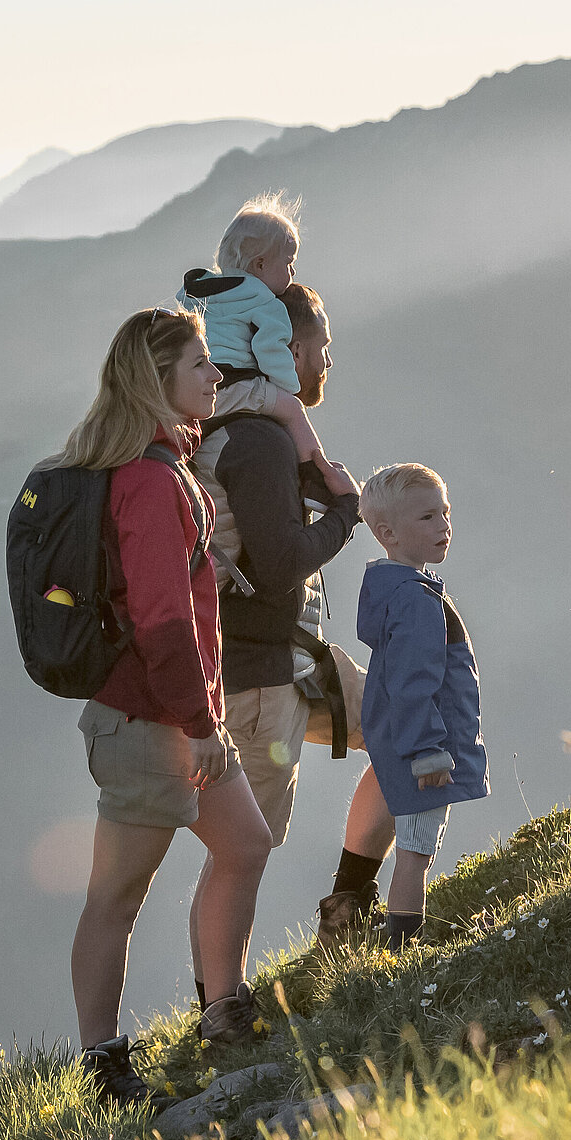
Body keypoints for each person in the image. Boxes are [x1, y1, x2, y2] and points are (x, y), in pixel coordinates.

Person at [61, 305, 276, 1107]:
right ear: (159, 381)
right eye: (200, 365)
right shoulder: (150, 482)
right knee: (117, 896)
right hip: (152, 723)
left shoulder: (162, 468)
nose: (216, 376)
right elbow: (159, 621)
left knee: (245, 843)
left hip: (173, 717)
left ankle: (223, 1011)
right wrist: (202, 726)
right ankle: (104, 1066)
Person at [189, 281, 398, 965]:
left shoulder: (243, 434)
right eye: (322, 347)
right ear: (292, 348)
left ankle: (348, 919)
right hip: (257, 679)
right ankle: (221, 1009)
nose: (326, 362)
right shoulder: (255, 441)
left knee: (412, 731)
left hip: (288, 659)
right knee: (242, 852)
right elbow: (279, 566)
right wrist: (347, 514)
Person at [356, 464, 489, 948]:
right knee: (415, 850)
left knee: (415, 845)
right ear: (387, 533)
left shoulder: (401, 589)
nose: (444, 527)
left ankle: (400, 942)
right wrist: (428, 750)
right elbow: (413, 682)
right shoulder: (415, 598)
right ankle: (404, 949)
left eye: (445, 514)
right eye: (428, 518)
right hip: (423, 751)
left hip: (410, 741)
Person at [174, 191, 352, 496]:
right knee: (293, 411)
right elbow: (270, 350)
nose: (292, 273)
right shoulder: (264, 302)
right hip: (231, 383)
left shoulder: (197, 287)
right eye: (288, 264)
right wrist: (287, 388)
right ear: (259, 265)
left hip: (193, 385)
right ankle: (314, 481)